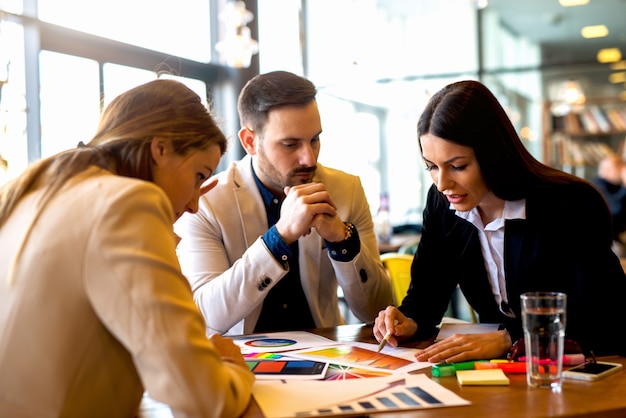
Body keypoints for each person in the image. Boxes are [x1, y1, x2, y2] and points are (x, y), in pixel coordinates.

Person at [0, 79, 254, 417]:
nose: (195, 204)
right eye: (198, 176)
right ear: (160, 148)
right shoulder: (127, 204)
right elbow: (202, 396)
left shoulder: (32, 191)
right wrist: (231, 366)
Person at [373, 80, 626, 364]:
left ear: (492, 154)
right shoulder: (442, 203)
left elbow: (604, 316)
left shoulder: (570, 203)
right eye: (431, 166)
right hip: (496, 373)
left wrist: (511, 338)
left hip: (577, 372)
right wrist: (408, 321)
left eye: (457, 166)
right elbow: (426, 296)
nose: (442, 183)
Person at [175, 70, 393, 335]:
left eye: (314, 139)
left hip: (327, 350)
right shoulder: (207, 202)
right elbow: (207, 316)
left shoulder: (346, 190)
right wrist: (279, 237)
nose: (309, 159)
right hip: (242, 359)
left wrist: (343, 241)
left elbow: (378, 309)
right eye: (290, 144)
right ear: (250, 141)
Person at [591, 153, 626, 255]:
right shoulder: (598, 184)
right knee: (618, 252)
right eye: (602, 168)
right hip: (600, 239)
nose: (603, 173)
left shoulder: (616, 185)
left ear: (621, 169)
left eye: (608, 169)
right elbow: (615, 208)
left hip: (617, 234)